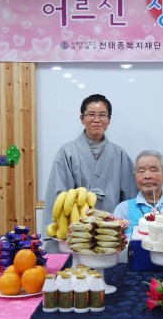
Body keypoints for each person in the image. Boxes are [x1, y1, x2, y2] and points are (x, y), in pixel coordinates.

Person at [42, 94, 138, 251]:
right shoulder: (66, 152)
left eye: (102, 115)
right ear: (82, 118)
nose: (96, 120)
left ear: (109, 120)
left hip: (109, 233)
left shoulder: (119, 154)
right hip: (76, 233)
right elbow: (57, 195)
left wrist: (128, 232)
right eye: (91, 114)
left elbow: (130, 198)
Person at [113, 150, 163, 235]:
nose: (147, 176)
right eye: (141, 171)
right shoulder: (123, 209)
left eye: (153, 170)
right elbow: (115, 241)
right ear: (135, 177)